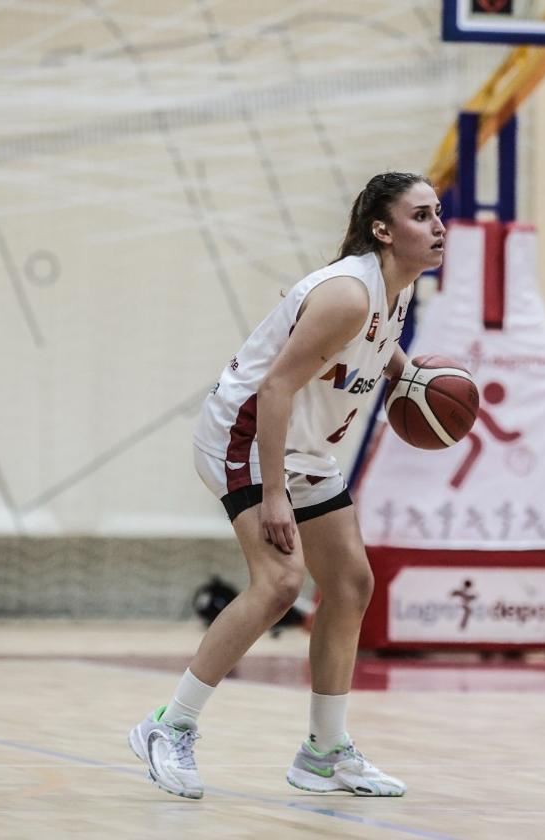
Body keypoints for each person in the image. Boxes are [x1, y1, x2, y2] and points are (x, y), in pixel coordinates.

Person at [128, 171, 445, 800]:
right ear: (383, 231)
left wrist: (420, 385)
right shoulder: (349, 294)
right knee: (278, 583)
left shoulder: (395, 291)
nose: (437, 227)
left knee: (351, 584)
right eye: (420, 216)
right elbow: (275, 388)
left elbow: (377, 351)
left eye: (438, 214)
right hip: (244, 438)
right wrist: (274, 493)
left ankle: (324, 753)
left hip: (304, 450)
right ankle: (169, 725)